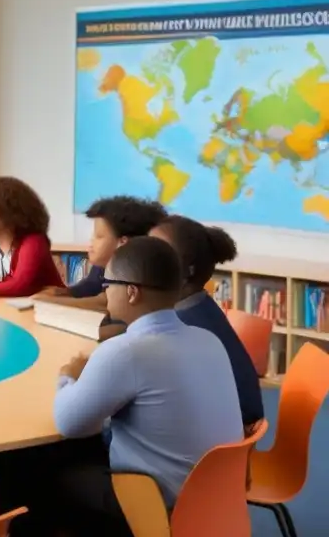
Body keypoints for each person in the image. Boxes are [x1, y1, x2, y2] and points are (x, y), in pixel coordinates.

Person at [51, 237, 242, 535]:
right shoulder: (209, 340)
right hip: (218, 498)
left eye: (107, 282)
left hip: (157, 503)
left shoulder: (126, 351)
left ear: (131, 292)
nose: (104, 291)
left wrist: (69, 376)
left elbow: (68, 423)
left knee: (46, 472)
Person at [150, 215, 264, 428]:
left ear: (186, 271)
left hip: (221, 440)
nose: (142, 260)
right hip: (231, 432)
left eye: (157, 255)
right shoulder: (199, 307)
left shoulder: (183, 326)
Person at [36, 196, 167, 340]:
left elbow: (104, 303)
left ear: (122, 243)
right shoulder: (102, 266)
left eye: (99, 236)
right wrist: (61, 292)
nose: (91, 241)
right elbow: (87, 288)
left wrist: (45, 302)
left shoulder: (135, 273)